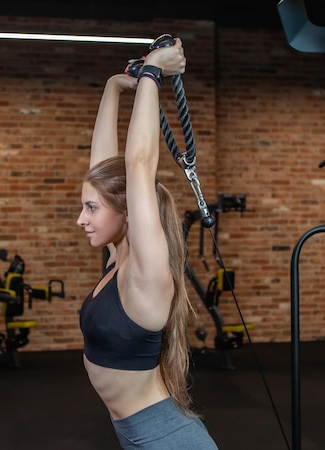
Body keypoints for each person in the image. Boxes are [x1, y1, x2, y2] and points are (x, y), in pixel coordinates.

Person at [77, 38, 218, 449]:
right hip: (136, 435)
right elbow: (103, 169)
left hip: (168, 441)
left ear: (127, 212)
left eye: (90, 208)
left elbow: (138, 164)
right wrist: (113, 87)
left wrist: (154, 72)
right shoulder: (118, 259)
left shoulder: (145, 273)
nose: (81, 218)